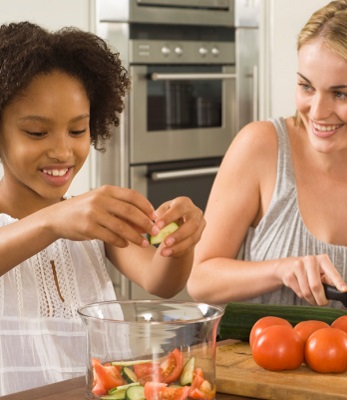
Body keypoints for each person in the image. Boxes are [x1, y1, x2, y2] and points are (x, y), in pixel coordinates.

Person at [0, 21, 205, 395]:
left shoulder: (92, 219)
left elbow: (163, 282)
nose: (63, 151)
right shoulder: (72, 216)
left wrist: (181, 244)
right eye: (36, 132)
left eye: (77, 131)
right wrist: (55, 221)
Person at [187, 0, 347, 307]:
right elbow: (199, 279)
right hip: (259, 355)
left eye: (340, 93)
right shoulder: (260, 146)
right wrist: (281, 270)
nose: (318, 111)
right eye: (306, 86)